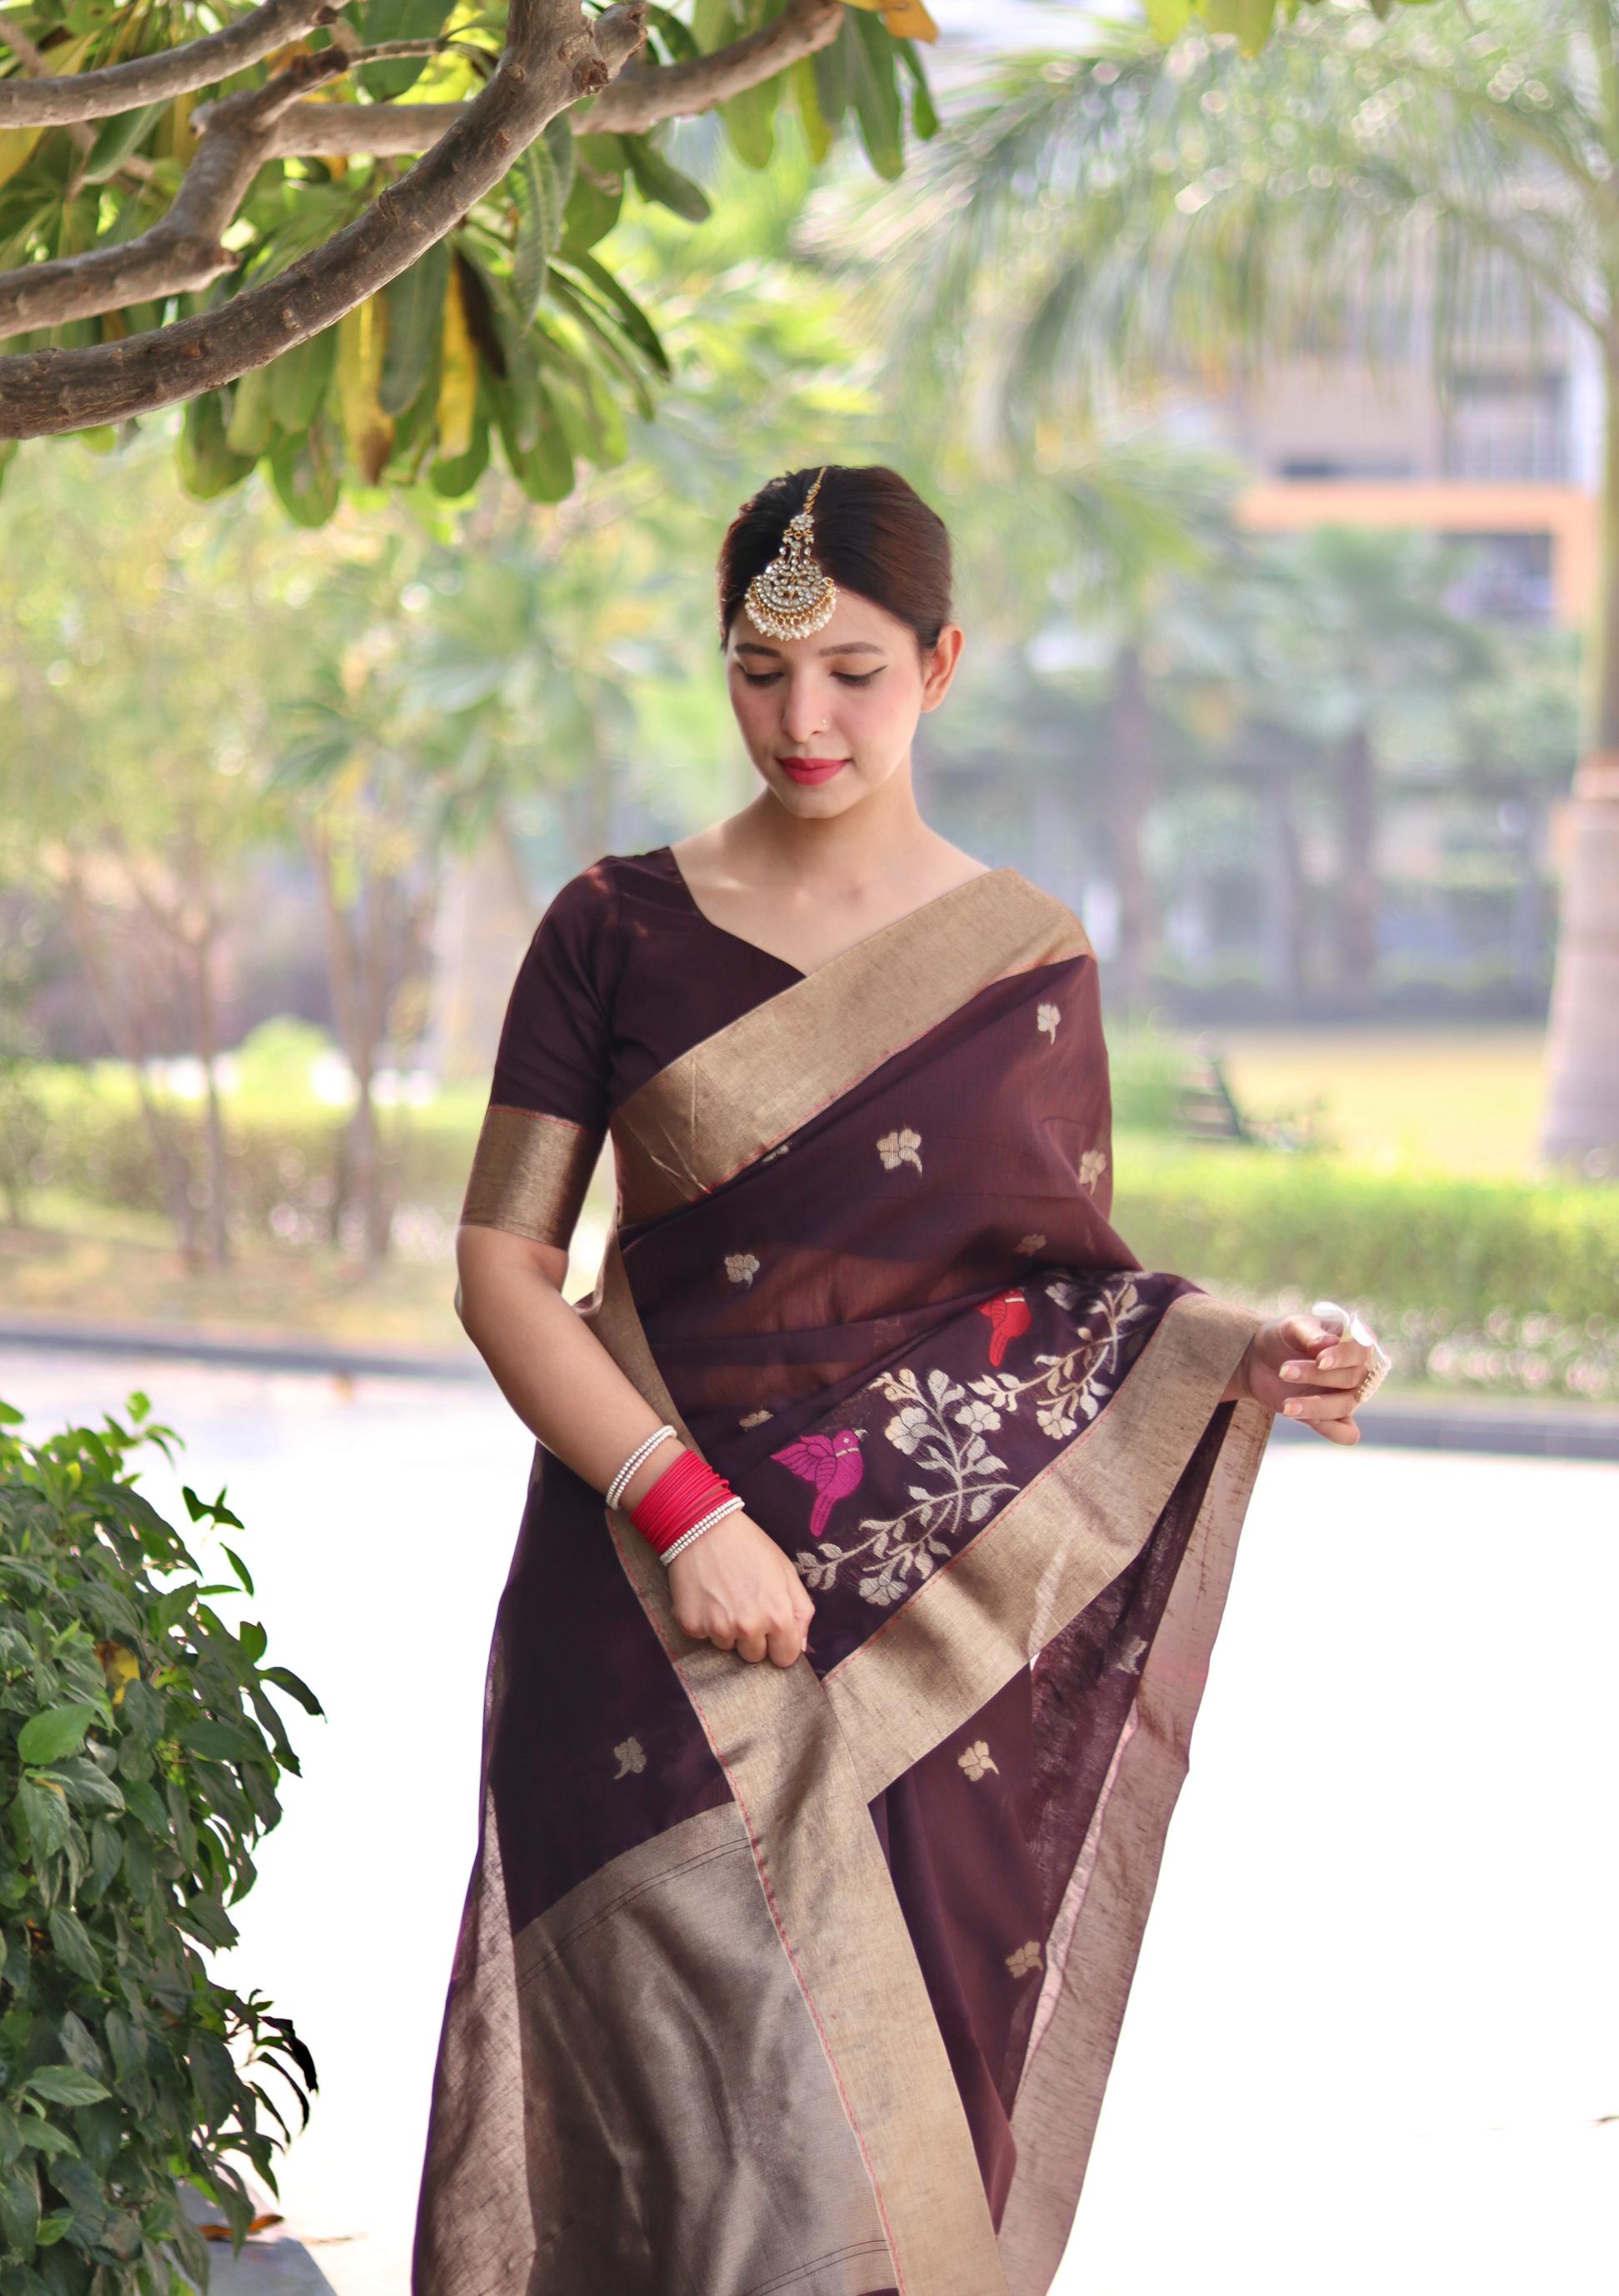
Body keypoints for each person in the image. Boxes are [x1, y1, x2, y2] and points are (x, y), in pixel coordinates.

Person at [412, 464, 1389, 2296]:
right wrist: (685, 1508)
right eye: (761, 671)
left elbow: (1059, 1301)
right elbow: (500, 1268)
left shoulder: (1022, 962)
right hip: (644, 1607)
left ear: (940, 666)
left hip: (920, 1647)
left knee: (871, 2168)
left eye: (854, 674)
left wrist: (1241, 1353)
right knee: (675, 2173)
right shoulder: (612, 928)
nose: (805, 720)